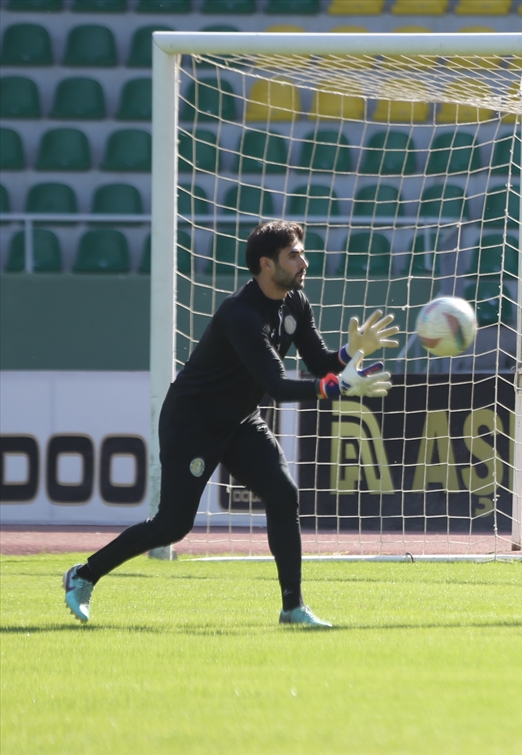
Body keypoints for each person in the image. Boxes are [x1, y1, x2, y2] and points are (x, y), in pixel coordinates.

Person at [62, 221, 398, 628]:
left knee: (283, 494)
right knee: (173, 525)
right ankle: (83, 576)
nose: (303, 261)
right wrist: (335, 389)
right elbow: (275, 385)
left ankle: (293, 607)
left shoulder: (296, 302)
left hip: (239, 420)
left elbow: (317, 363)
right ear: (266, 264)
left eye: (301, 253)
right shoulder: (241, 315)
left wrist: (349, 352)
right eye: (294, 255)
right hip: (193, 423)